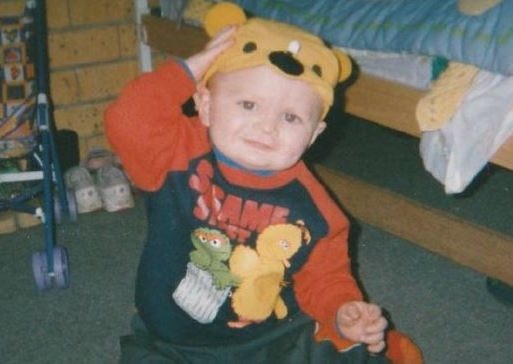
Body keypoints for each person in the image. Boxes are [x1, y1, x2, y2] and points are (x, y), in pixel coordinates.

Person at [105, 5, 422, 363]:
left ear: (314, 134)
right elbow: (128, 118)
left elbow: (325, 277)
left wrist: (342, 309)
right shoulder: (175, 151)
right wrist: (194, 67)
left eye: (290, 117)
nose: (267, 126)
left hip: (270, 338)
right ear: (205, 104)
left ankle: (387, 352)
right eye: (249, 104)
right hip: (171, 338)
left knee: (339, 349)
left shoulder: (315, 208)